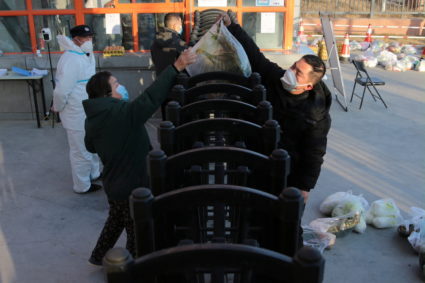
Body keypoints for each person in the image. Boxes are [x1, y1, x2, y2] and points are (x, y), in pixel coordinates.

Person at [83, 49, 197, 266]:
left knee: (115, 220)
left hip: (113, 183)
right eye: (116, 85)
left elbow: (90, 146)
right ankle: (132, 268)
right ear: (106, 94)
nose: (121, 87)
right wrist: (176, 67)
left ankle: (98, 256)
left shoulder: (93, 118)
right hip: (131, 185)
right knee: (136, 232)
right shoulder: (123, 114)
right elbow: (151, 97)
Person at [221, 14, 331, 204]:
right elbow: (256, 56)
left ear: (308, 86)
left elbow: (314, 152)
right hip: (258, 156)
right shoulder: (277, 78)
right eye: (294, 66)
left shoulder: (316, 115)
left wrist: (304, 186)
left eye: (298, 73)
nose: (291, 72)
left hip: (287, 168)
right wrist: (233, 27)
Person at [53, 25, 101, 194]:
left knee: (92, 144)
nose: (89, 41)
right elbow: (61, 91)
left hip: (89, 109)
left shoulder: (86, 54)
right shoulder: (71, 59)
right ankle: (82, 185)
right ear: (76, 40)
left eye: (90, 37)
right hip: (75, 112)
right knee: (80, 150)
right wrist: (57, 107)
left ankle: (95, 173)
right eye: (85, 38)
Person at [150, 13, 188, 120]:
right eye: (180, 23)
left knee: (166, 121)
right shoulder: (179, 43)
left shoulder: (155, 43)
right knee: (178, 122)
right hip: (177, 88)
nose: (182, 26)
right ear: (175, 25)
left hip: (162, 86)